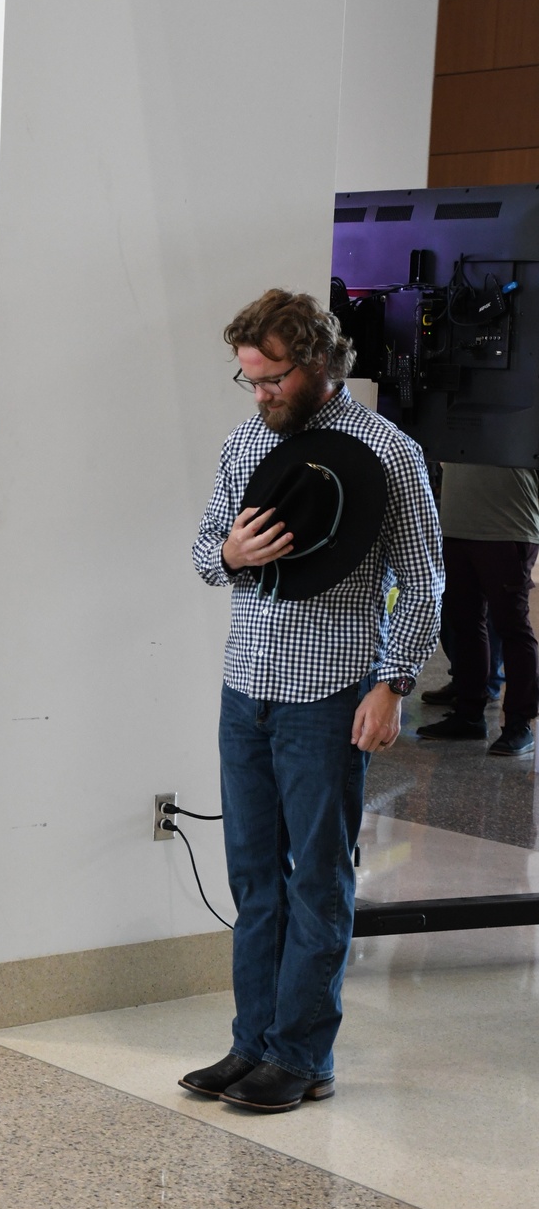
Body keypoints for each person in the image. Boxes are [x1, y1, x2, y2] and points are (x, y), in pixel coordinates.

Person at [179, 289, 442, 1114]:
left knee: (318, 879)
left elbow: (422, 578)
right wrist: (228, 550)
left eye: (272, 379)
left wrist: (392, 685)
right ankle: (251, 1043)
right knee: (253, 877)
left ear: (321, 364)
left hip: (328, 697)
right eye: (249, 380)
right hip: (244, 690)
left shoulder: (388, 454)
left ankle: (302, 1055)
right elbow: (202, 555)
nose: (259, 395)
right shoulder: (245, 444)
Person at [416, 464, 539, 756]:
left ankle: (518, 725)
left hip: (509, 524)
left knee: (512, 626)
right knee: (465, 624)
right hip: (456, 523)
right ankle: (468, 715)